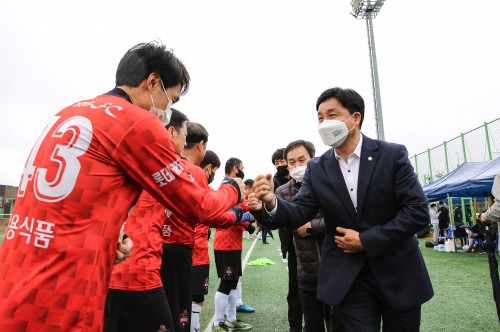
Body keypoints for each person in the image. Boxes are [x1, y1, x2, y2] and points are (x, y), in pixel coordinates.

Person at [0, 41, 245, 331]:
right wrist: (235, 189)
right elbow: (199, 205)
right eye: (172, 100)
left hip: (14, 278)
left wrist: (103, 237)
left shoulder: (68, 112)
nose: (168, 111)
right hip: (64, 293)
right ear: (153, 82)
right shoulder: (136, 122)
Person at [253, 87, 434, 331]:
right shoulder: (318, 168)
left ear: (355, 118)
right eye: (320, 117)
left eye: (332, 114)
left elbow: (417, 213)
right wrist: (272, 201)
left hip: (397, 272)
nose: (324, 123)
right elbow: (300, 212)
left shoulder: (392, 155)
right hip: (349, 277)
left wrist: (366, 240)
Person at [104, 108, 190, 332]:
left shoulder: (120, 157)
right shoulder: (167, 167)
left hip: (108, 273)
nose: (185, 144)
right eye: (184, 137)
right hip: (140, 274)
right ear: (171, 133)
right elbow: (201, 207)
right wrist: (233, 192)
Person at [254, 140, 343, 332]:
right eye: (291, 162)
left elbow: (342, 219)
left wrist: (311, 226)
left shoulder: (331, 183)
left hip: (336, 268)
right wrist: (259, 209)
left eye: (302, 160)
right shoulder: (282, 191)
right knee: (311, 323)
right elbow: (274, 222)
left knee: (339, 323)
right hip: (306, 269)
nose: (296, 166)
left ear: (313, 159)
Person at [191, 150, 234, 332]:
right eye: (213, 170)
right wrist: (240, 214)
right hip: (197, 253)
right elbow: (218, 216)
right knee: (195, 298)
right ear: (209, 168)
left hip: (172, 251)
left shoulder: (177, 179)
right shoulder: (203, 188)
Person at [212, 158, 253, 331]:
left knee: (234, 281)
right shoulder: (228, 188)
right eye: (242, 168)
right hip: (226, 243)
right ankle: (218, 322)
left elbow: (239, 210)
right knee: (227, 282)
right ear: (235, 169)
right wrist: (247, 219)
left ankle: (232, 319)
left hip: (233, 243)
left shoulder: (233, 186)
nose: (243, 171)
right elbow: (228, 215)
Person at [271, 148, 303, 332]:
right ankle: (295, 326)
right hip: (292, 243)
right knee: (295, 290)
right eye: (276, 163)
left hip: (315, 243)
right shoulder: (277, 185)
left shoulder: (310, 181)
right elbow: (272, 217)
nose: (280, 165)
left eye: (282, 162)